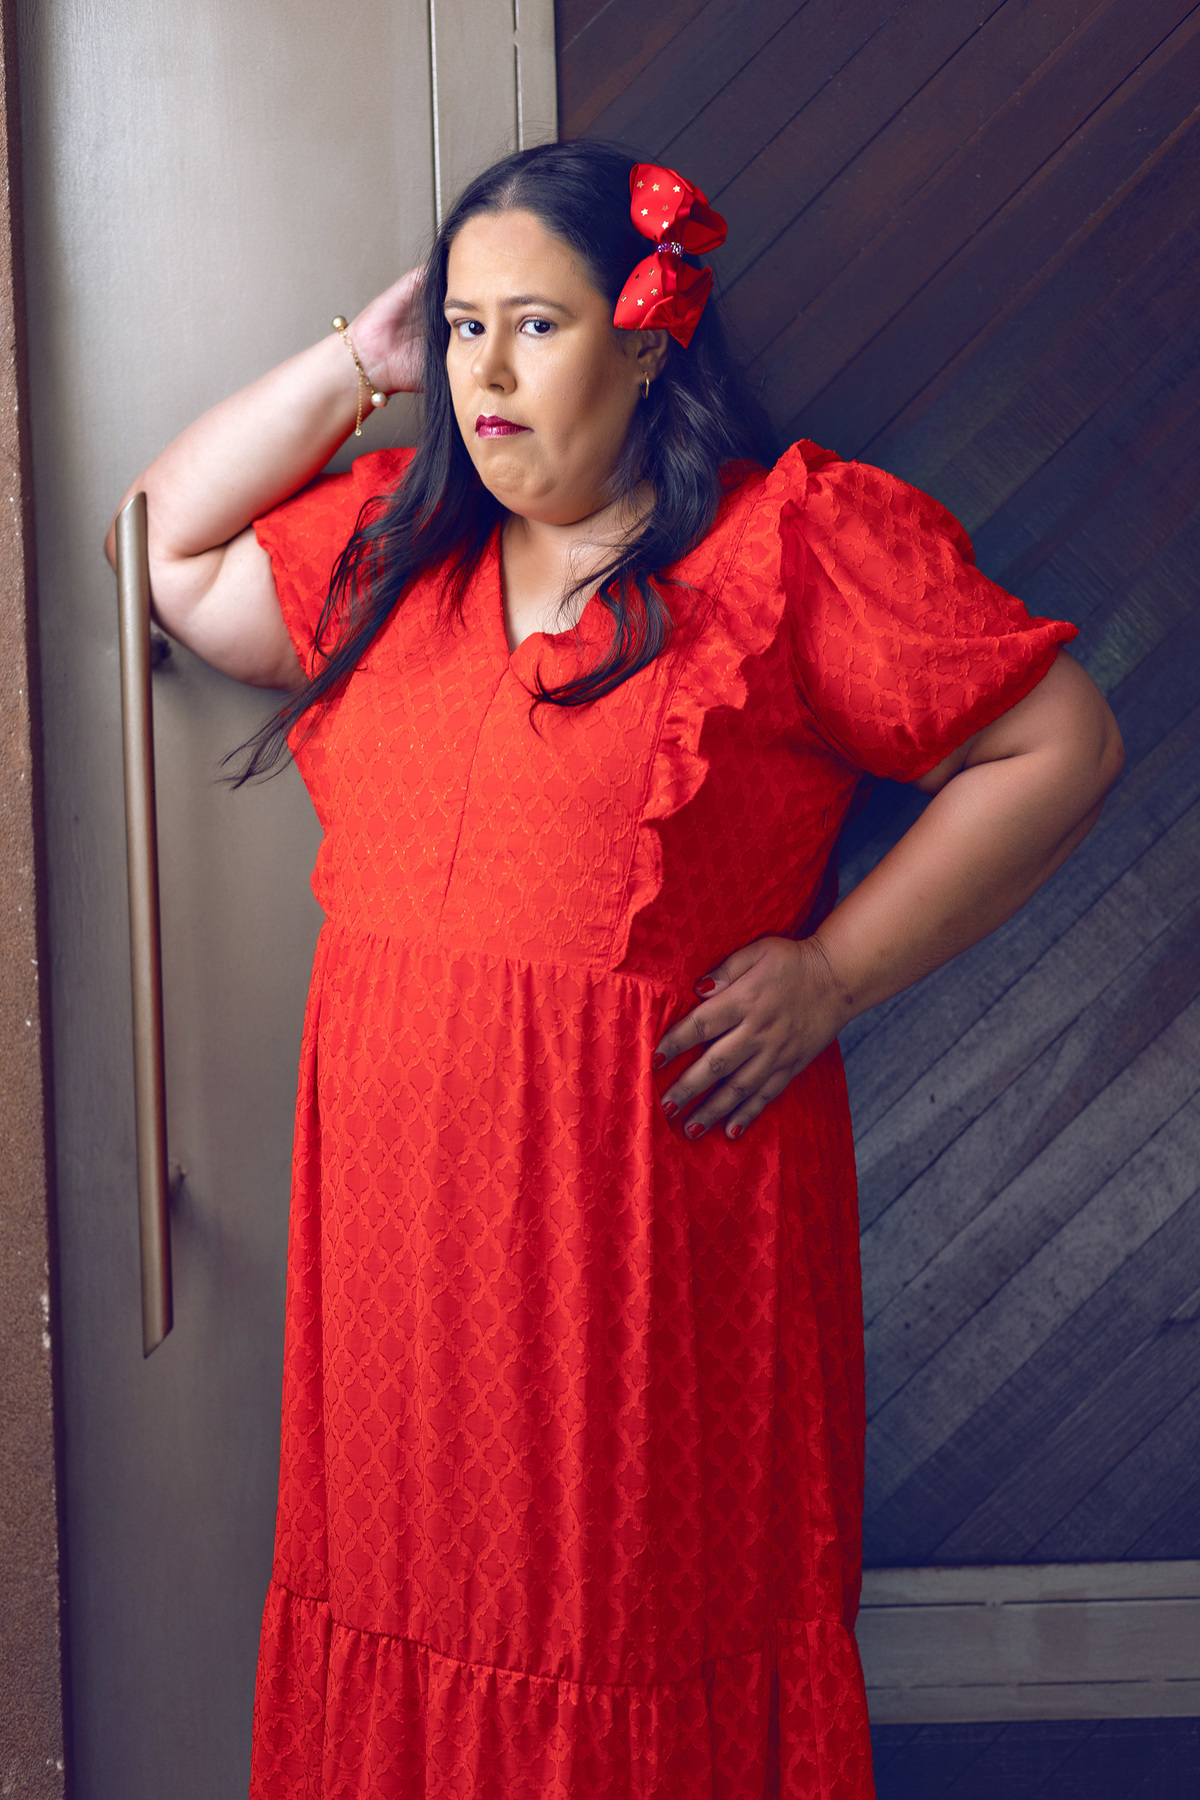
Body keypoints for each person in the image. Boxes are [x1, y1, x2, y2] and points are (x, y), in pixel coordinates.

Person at [106, 141, 1123, 1800]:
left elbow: (1061, 744)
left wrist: (833, 976)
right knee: (404, 1617)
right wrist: (360, 362)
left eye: (536, 326)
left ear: (648, 340)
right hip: (397, 1273)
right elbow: (159, 550)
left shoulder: (783, 553)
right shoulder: (396, 551)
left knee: (614, 1646)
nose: (485, 376)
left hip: (630, 1264)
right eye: (462, 330)